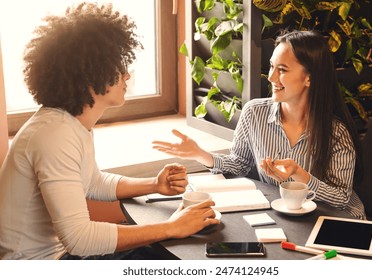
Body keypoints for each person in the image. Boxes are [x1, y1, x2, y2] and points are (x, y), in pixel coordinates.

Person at [0, 2, 218, 260]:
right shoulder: (54, 135)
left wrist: (154, 185)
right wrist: (172, 227)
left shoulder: (70, 124)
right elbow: (80, 241)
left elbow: (91, 182)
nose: (126, 75)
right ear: (91, 73)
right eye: (118, 66)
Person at [153, 30, 366, 219]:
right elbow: (240, 164)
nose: (271, 77)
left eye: (282, 69)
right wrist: (201, 154)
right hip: (289, 218)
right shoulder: (255, 112)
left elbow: (341, 199)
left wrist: (299, 175)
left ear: (309, 78)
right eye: (272, 66)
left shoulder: (336, 132)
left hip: (335, 222)